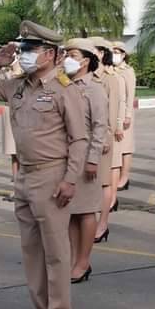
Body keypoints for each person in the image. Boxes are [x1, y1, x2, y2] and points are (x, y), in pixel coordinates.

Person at [0, 22, 88, 309]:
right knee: (31, 250)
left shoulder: (65, 89)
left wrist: (70, 179)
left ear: (50, 54)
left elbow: (79, 139)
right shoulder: (17, 86)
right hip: (24, 174)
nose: (24, 55)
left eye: (30, 50)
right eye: (22, 49)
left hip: (52, 174)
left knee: (55, 250)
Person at [63, 39, 110, 284]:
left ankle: (83, 261)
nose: (67, 59)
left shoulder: (94, 89)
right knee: (71, 211)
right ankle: (73, 259)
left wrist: (93, 159)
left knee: (86, 211)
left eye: (72, 54)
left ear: (85, 60)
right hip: (66, 154)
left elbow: (100, 126)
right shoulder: (63, 84)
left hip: (86, 155)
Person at [89, 37, 125, 241]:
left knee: (104, 182)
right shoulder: (86, 76)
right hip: (84, 137)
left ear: (102, 53)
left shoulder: (110, 78)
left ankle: (102, 224)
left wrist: (106, 137)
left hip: (102, 137)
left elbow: (112, 111)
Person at [0, 61, 24, 202]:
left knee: (22, 154)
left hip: (21, 112)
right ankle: (16, 189)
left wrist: (16, 68)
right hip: (8, 110)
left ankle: (23, 189)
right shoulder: (4, 71)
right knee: (13, 154)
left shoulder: (25, 70)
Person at [113, 41, 136, 191]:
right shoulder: (111, 69)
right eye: (113, 51)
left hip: (125, 112)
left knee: (126, 147)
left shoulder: (127, 70)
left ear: (123, 55)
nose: (115, 54)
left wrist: (128, 115)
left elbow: (130, 94)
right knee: (117, 146)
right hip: (115, 112)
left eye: (117, 52)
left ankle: (124, 178)